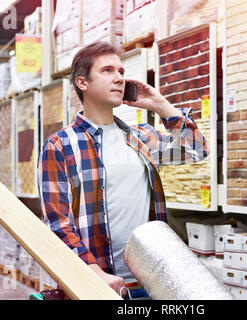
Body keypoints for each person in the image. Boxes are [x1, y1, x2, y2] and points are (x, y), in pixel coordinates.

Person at [37, 41, 209, 299]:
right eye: (107, 71)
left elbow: (197, 148)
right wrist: (94, 272)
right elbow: (58, 223)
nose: (119, 78)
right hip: (99, 284)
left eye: (121, 71)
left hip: (153, 281)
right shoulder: (61, 145)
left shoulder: (142, 137)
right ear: (82, 83)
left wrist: (159, 103)